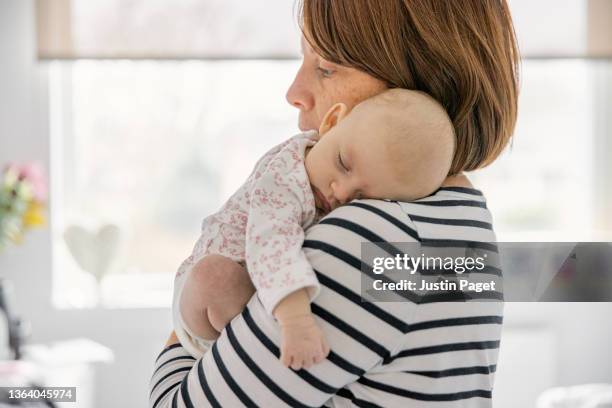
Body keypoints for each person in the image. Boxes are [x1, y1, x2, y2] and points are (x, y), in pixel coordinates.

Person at [149, 0, 519, 406]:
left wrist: (191, 311)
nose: (294, 93)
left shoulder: (369, 240)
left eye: (326, 68)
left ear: (420, 79)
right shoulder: (462, 217)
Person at [174, 89, 455, 370]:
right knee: (214, 276)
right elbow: (273, 244)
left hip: (253, 293)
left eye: (364, 197)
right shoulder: (284, 180)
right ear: (331, 123)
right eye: (343, 164)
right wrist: (296, 320)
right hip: (208, 296)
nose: (341, 193)